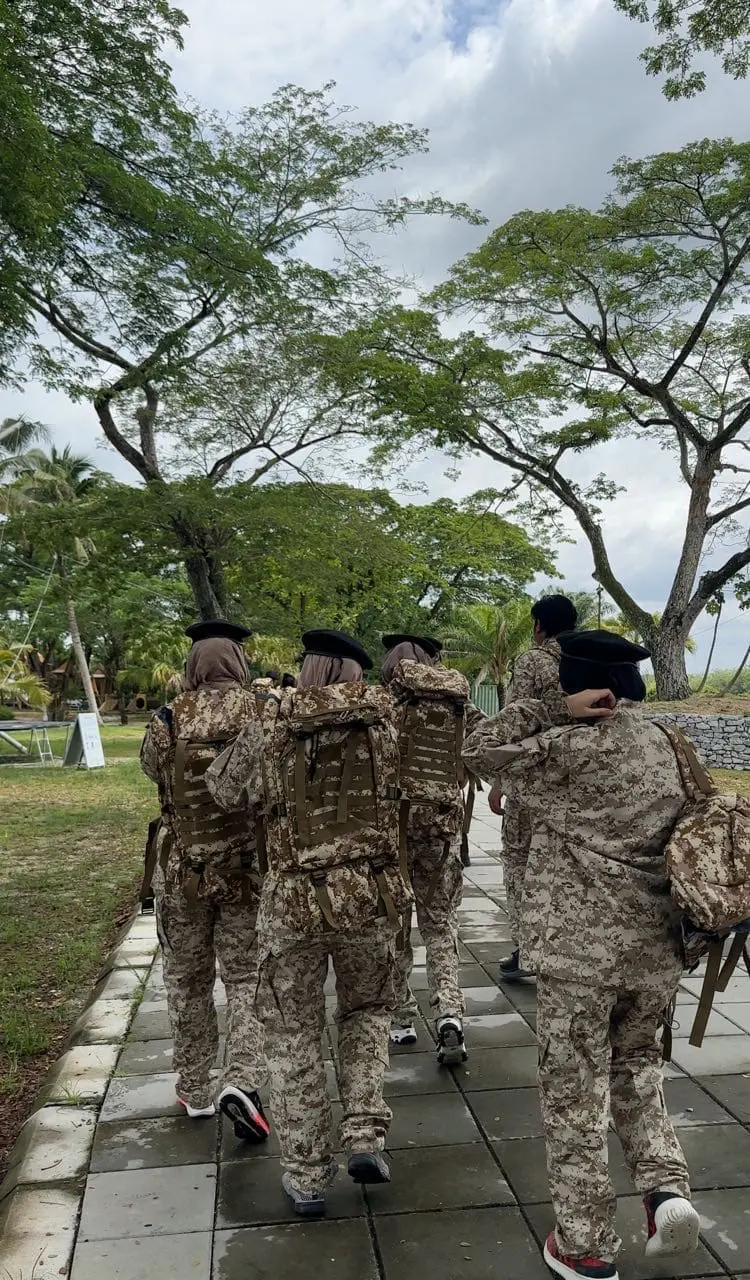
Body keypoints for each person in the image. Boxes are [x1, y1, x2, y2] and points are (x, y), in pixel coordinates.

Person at [463, 630, 700, 1280]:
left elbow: (473, 750)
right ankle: (665, 1191)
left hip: (579, 957)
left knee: (573, 1092)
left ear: (575, 683)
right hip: (656, 949)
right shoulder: (669, 746)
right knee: (639, 1069)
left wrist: (547, 712)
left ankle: (587, 1244)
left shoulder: (559, 748)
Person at [206, 629, 411, 1218]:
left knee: (292, 1033)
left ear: (309, 668)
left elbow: (223, 788)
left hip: (292, 900)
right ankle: (366, 1134)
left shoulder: (271, 723)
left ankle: (305, 1175)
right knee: (368, 1014)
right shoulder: (387, 722)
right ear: (353, 673)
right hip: (372, 897)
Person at [140, 619, 269, 1143]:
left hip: (183, 871)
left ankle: (195, 1086)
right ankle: (242, 1079)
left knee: (188, 981)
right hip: (245, 871)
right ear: (237, 663)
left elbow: (152, 771)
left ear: (194, 666)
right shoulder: (260, 712)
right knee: (244, 978)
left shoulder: (167, 718)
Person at [381, 633, 483, 1065]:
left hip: (394, 828)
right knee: (441, 924)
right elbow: (485, 745)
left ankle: (401, 1018)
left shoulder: (383, 703)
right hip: (442, 824)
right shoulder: (459, 704)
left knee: (395, 923)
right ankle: (450, 1017)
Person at [496, 593, 577, 982]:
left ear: (538, 625)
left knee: (519, 862)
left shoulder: (534, 660)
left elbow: (515, 722)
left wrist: (499, 779)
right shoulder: (591, 660)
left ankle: (529, 948)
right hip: (581, 781)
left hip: (534, 779)